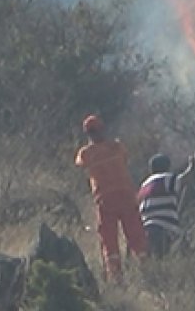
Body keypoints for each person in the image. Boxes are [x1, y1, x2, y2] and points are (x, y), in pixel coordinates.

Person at [74, 114, 147, 281]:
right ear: (103, 129)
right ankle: (147, 269)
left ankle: (116, 278)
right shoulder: (117, 146)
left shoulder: (86, 153)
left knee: (109, 240)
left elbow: (79, 165)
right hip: (126, 195)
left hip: (105, 200)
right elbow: (125, 158)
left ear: (87, 134)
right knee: (136, 234)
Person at [137, 152, 194, 257]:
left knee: (151, 260)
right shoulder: (167, 178)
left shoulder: (144, 184)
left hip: (145, 229)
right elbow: (184, 179)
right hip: (162, 228)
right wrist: (191, 165)